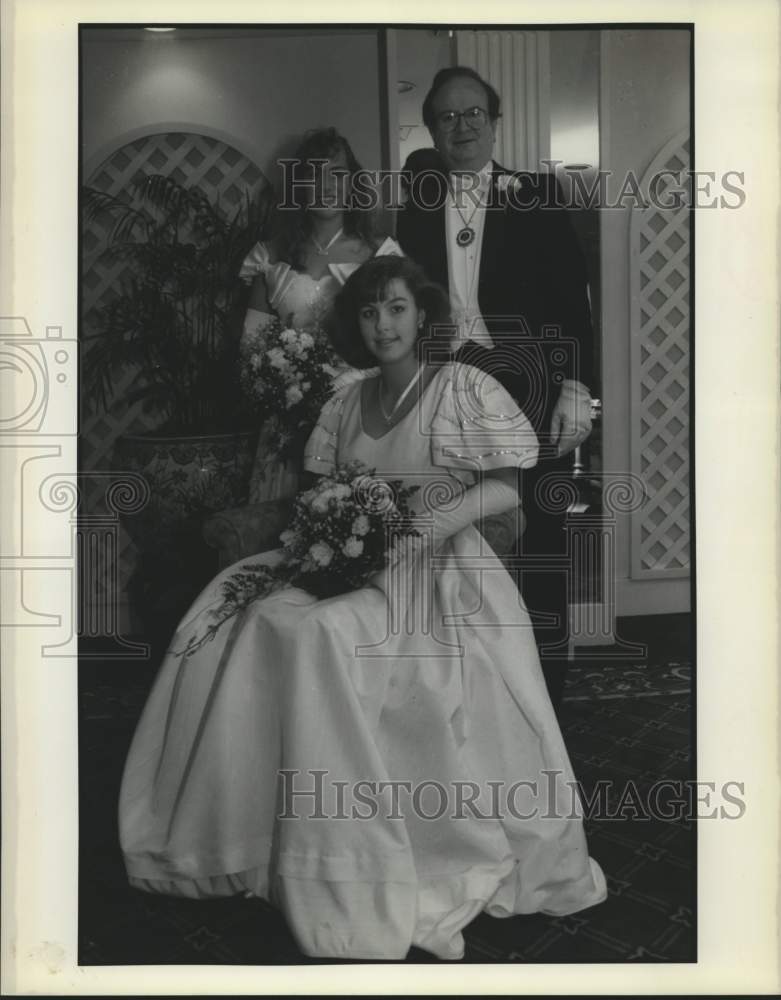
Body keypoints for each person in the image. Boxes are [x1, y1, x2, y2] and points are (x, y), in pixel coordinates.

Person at [119, 256, 606, 962]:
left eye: (398, 308)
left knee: (320, 633)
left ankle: (354, 858)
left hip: (438, 571)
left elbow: (502, 489)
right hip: (359, 560)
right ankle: (250, 836)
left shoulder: (460, 386)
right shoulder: (345, 400)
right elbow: (329, 493)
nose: (384, 324)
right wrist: (332, 536)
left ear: (423, 316)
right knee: (238, 614)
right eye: (372, 312)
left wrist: (416, 530)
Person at [397, 67, 595, 712]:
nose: (463, 127)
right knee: (453, 544)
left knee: (540, 542)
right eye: (448, 117)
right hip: (444, 395)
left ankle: (545, 704)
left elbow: (573, 304)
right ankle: (467, 706)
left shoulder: (535, 193)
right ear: (430, 129)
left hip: (531, 390)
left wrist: (577, 387)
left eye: (474, 113)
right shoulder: (416, 207)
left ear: (494, 120)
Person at [239, 126, 402, 500]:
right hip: (288, 419)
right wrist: (286, 391)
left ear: (352, 184)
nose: (326, 184)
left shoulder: (382, 254)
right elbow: (250, 350)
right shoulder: (269, 256)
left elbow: (396, 343)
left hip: (361, 413)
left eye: (338, 173)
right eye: (314, 174)